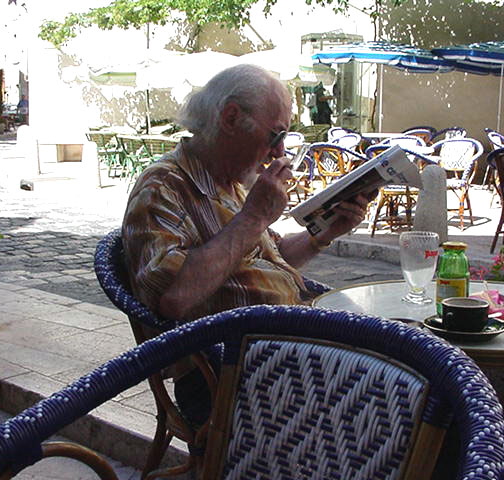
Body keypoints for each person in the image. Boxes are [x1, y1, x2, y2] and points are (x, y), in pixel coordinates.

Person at [122, 64, 374, 424]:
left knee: (412, 368)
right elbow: (175, 298)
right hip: (227, 373)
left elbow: (274, 256)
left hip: (284, 355)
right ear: (230, 118)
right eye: (275, 136)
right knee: (397, 400)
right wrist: (254, 217)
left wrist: (324, 232)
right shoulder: (163, 187)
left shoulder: (233, 184)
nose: (280, 152)